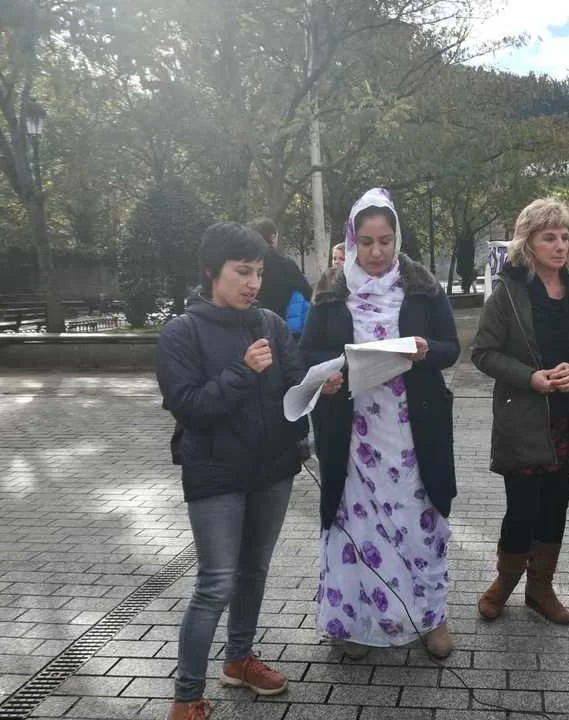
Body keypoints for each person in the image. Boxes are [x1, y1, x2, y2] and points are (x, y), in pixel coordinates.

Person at [155, 222, 307, 720]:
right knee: (216, 583)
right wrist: (243, 371)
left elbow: (292, 382)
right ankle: (186, 697)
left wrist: (318, 386)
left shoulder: (270, 323)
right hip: (216, 473)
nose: (253, 283)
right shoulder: (181, 332)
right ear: (211, 271)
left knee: (254, 571)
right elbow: (189, 406)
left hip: (272, 469)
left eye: (258, 272)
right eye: (242, 272)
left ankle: (239, 659)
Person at [300, 188, 460, 660]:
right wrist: (329, 374)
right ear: (352, 240)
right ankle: (355, 622)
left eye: (385, 241)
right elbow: (307, 353)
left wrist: (426, 351)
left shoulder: (423, 287)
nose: (375, 252)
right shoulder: (331, 291)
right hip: (352, 435)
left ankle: (431, 616)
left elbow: (451, 347)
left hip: (412, 434)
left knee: (418, 523)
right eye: (366, 242)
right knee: (357, 527)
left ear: (397, 238)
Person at [472, 197, 569, 625]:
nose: (560, 245)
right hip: (523, 420)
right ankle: (504, 582)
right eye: (549, 237)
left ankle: (540, 588)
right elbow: (483, 353)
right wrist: (529, 377)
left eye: (565, 236)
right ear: (527, 242)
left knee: (555, 507)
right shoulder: (508, 293)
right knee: (521, 509)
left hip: (568, 418)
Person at [248, 217, 313, 339]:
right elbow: (308, 293)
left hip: (249, 329)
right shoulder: (286, 265)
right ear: (273, 237)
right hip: (282, 329)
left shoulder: (244, 265)